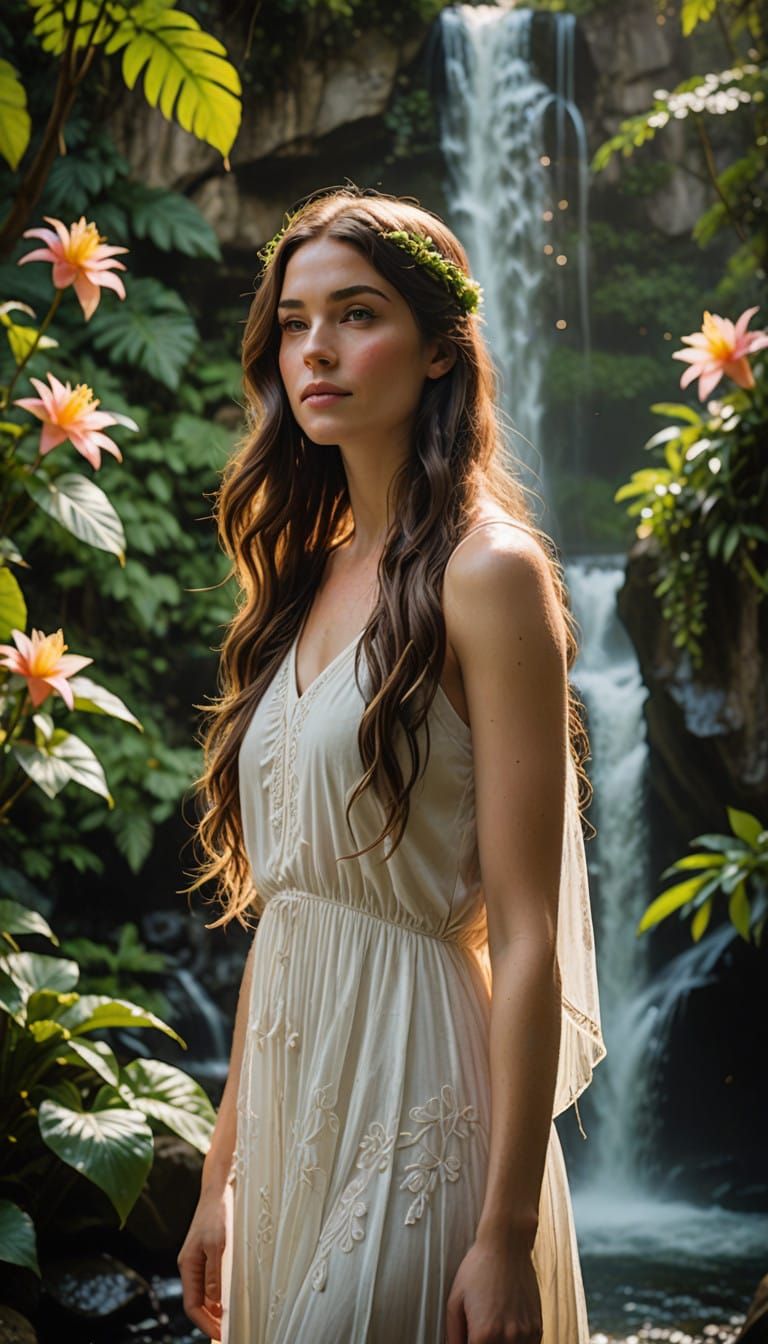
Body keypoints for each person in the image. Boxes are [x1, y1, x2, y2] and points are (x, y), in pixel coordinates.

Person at [177, 184, 606, 1344]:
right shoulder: (300, 578)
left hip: (424, 1104)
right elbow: (287, 909)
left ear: (438, 349)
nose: (316, 349)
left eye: (357, 314)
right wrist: (219, 1175)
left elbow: (527, 934)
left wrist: (505, 1231)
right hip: (288, 1114)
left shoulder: (491, 574)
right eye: (295, 322)